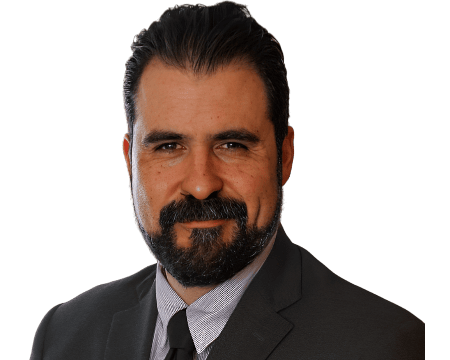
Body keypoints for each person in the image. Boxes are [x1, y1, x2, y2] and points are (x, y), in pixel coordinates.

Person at [30, 1, 424, 359]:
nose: (201, 185)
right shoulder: (64, 335)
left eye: (232, 145)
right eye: (168, 146)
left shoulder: (383, 344)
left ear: (284, 155)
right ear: (129, 162)